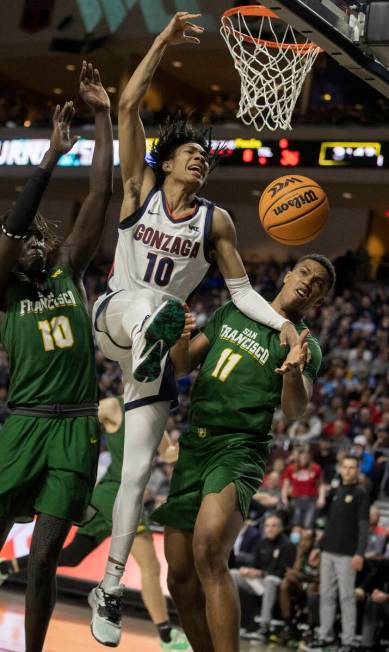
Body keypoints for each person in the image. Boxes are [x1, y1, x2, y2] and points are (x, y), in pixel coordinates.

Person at [90, 10, 299, 646]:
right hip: (119, 317)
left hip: (150, 358)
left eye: (206, 158)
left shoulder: (217, 223)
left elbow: (241, 292)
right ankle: (160, 334)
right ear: (169, 160)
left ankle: (111, 584)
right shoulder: (140, 187)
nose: (201, 162)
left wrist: (286, 328)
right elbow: (127, 106)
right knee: (160, 306)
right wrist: (161, 40)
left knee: (134, 473)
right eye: (192, 154)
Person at [152, 254, 335, 652]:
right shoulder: (234, 310)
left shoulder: (306, 344)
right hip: (195, 444)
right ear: (287, 275)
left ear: (319, 300)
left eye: (319, 283)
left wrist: (291, 375)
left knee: (208, 550)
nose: (309, 282)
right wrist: (181, 332)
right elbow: (182, 365)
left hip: (238, 448)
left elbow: (294, 410)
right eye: (304, 272)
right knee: (179, 576)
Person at [0, 62, 113, 652]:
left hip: (73, 427)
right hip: (22, 424)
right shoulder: (4, 287)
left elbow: (100, 193)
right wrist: (47, 157)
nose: (36, 242)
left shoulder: (67, 270)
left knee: (44, 561)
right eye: (27, 241)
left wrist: (101, 115)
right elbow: (14, 227)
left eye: (47, 237)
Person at [0, 396, 190, 651]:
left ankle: (7, 566)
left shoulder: (156, 415)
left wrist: (197, 439)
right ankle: (166, 637)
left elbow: (168, 455)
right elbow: (78, 424)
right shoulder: (114, 406)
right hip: (117, 493)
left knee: (72, 556)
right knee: (151, 567)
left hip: (113, 496)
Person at [308, 455, 370, 652]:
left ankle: (348, 641)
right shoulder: (334, 492)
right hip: (328, 551)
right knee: (326, 594)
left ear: (357, 470)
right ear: (341, 469)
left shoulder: (361, 493)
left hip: (347, 554)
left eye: (353, 467)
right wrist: (318, 546)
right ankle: (325, 636)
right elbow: (328, 524)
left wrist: (360, 553)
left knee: (346, 597)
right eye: (346, 467)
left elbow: (364, 526)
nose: (349, 470)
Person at [230, 514, 296, 640]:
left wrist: (261, 573)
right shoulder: (262, 543)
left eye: (274, 526)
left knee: (270, 580)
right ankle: (233, 619)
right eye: (267, 526)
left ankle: (264, 626)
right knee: (232, 574)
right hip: (260, 582)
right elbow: (255, 564)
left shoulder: (287, 545)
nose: (270, 529)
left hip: (277, 583)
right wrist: (247, 570)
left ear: (280, 528)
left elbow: (283, 572)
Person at [282, 447, 326, 529]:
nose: (304, 460)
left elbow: (321, 484)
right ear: (298, 458)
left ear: (309, 458)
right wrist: (284, 499)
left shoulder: (316, 468)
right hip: (296, 500)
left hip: (312, 500)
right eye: (302, 458)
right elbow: (285, 486)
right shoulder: (291, 468)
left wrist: (321, 498)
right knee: (296, 525)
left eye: (306, 458)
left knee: (308, 525)